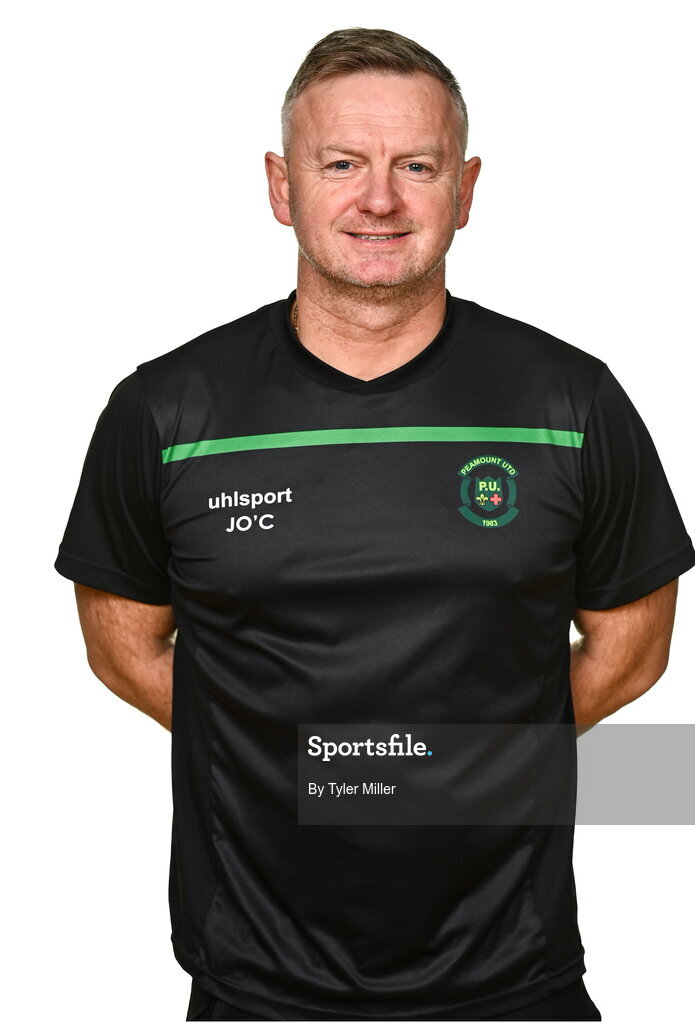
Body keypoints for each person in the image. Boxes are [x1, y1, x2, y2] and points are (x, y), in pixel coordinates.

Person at [54, 26, 694, 1023]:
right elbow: (123, 647)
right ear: (281, 185)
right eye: (340, 163)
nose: (380, 199)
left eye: (416, 166)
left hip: (513, 978)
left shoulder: (569, 402)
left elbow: (630, 646)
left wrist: (429, 777)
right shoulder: (168, 413)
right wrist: (291, 761)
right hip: (255, 984)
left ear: (465, 188)